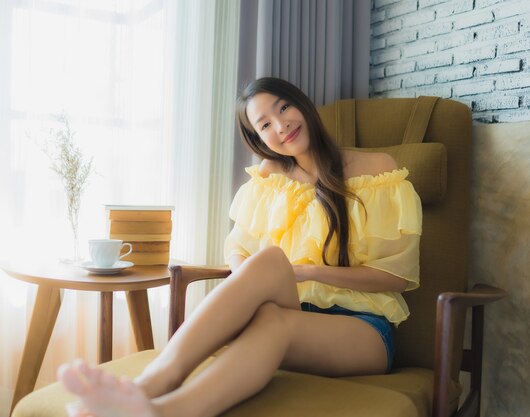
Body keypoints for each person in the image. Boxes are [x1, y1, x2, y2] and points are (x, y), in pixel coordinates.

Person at [57, 77, 423, 417]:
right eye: (264, 124)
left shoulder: (378, 171)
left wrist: (307, 271)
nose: (280, 126)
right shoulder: (270, 177)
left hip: (362, 329)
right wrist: (258, 275)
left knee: (273, 313)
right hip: (291, 307)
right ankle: (149, 385)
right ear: (258, 138)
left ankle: (163, 412)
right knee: (268, 265)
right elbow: (238, 250)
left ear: (302, 105)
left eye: (283, 108)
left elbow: (395, 277)